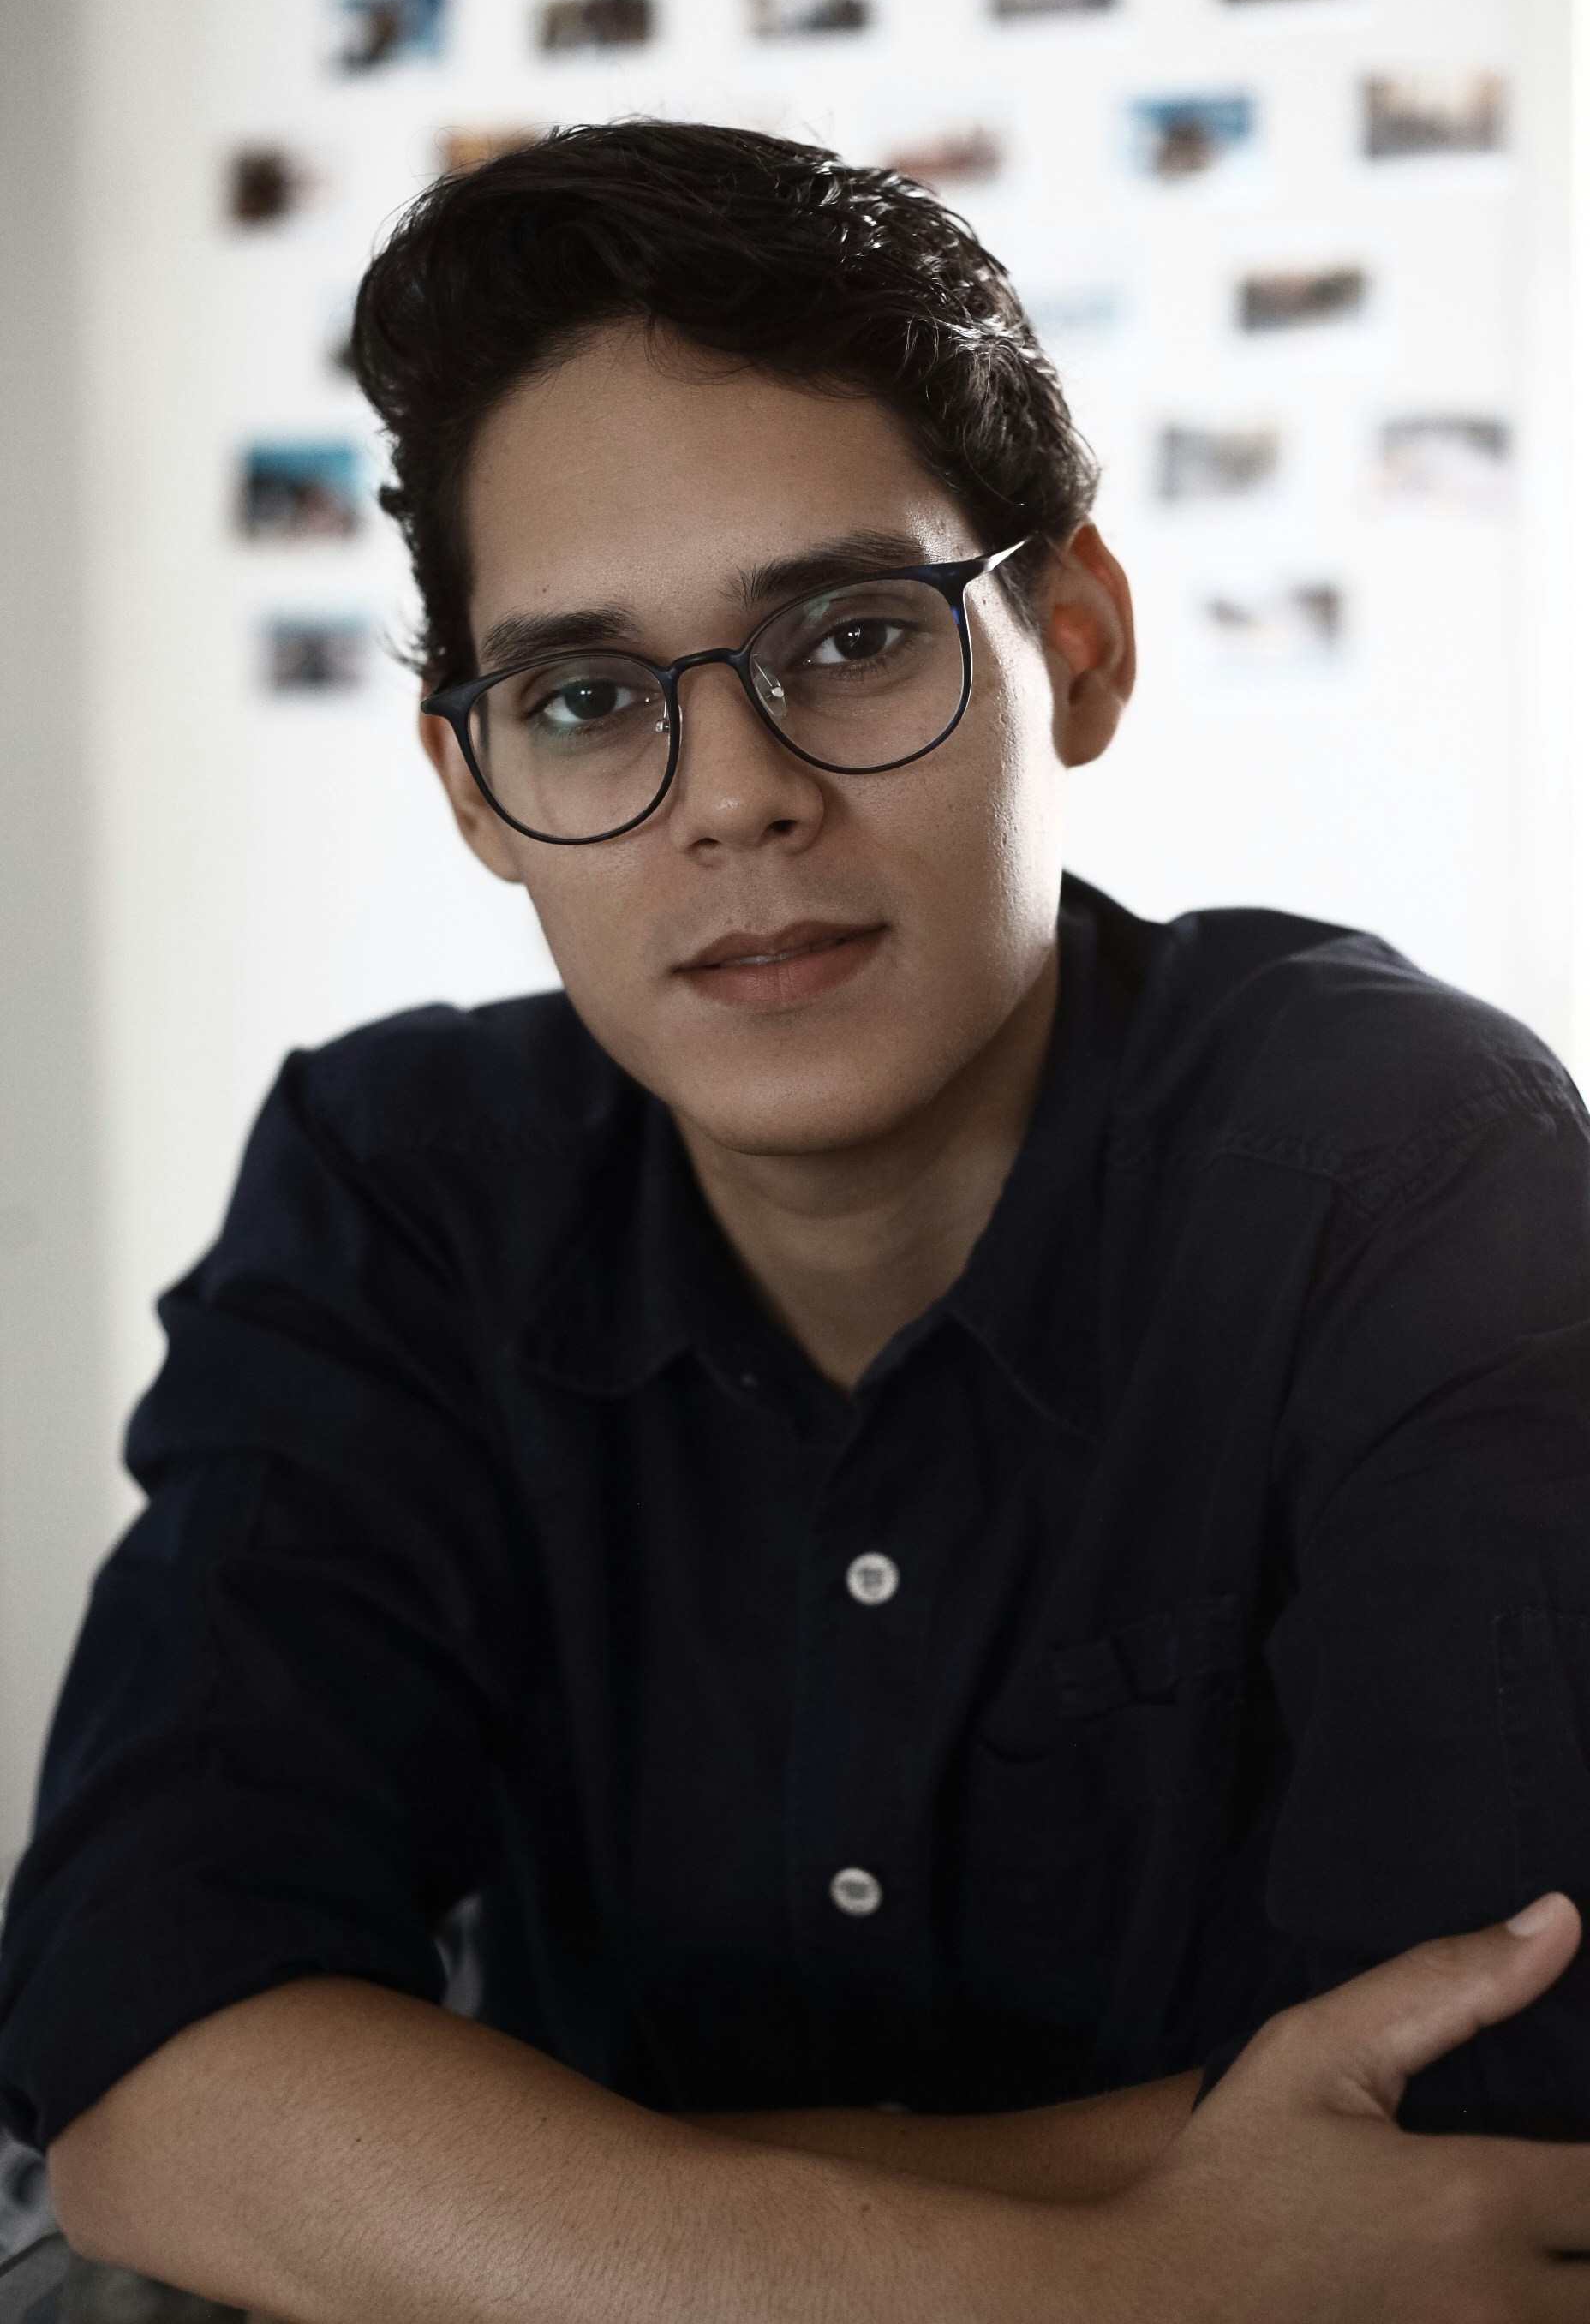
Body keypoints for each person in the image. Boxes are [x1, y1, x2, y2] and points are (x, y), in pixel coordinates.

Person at [4, 119, 1590, 2322]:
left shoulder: (1401, 1160)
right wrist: (1110, 2280)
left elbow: (1479, 2131)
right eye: (583, 700)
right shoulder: (402, 1185)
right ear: (476, 792)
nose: (738, 797)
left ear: (1077, 645)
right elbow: (146, 2074)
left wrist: (475, 2188)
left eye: (847, 639)